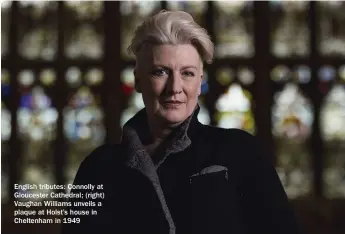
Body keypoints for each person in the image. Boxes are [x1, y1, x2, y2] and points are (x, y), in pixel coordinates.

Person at [61, 10, 301, 234]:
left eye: (187, 73)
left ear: (200, 82)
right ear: (137, 80)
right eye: (160, 72)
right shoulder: (98, 168)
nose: (175, 88)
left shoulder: (239, 151)